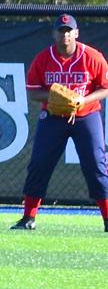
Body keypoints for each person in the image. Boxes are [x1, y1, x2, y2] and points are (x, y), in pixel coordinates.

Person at [13, 12, 108, 231]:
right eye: (61, 31)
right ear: (54, 34)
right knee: (39, 163)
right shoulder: (43, 58)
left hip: (86, 116)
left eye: (69, 31)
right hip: (54, 118)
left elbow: (104, 88)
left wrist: (82, 100)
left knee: (96, 166)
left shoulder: (92, 57)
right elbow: (33, 92)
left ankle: (107, 218)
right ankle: (28, 218)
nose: (65, 35)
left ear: (76, 33)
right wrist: (55, 96)